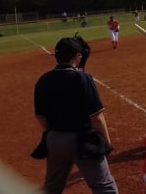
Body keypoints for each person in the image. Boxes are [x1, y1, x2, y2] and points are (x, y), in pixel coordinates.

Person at [33, 37, 118, 194]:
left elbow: (41, 117)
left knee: (51, 188)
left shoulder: (43, 80)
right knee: (104, 187)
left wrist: (56, 132)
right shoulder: (83, 79)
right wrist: (106, 143)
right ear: (77, 56)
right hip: (82, 141)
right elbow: (97, 117)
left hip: (54, 140)